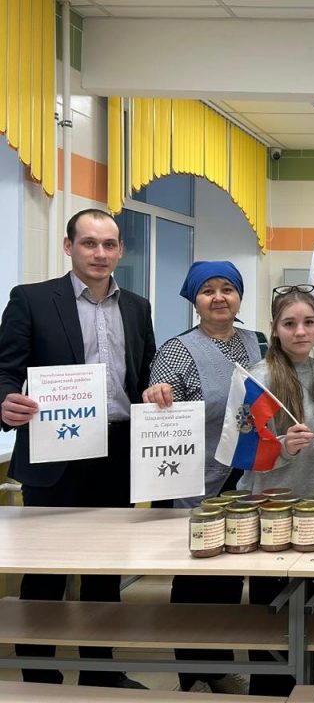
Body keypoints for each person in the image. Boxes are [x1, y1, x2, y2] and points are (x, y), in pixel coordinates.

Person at [0, 209, 154, 690]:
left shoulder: (137, 307)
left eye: (109, 244)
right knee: (44, 574)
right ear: (69, 246)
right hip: (54, 453)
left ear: (120, 250)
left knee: (105, 573)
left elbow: (143, 374)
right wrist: (5, 402)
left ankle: (101, 672)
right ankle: (38, 675)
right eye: (89, 243)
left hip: (117, 452)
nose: (99, 253)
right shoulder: (30, 300)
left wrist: (157, 392)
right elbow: (5, 371)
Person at [142, 260, 260, 695]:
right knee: (197, 578)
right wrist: (155, 396)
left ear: (239, 296)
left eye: (227, 288)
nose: (219, 298)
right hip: (199, 479)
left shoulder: (258, 343)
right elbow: (158, 409)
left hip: (249, 475)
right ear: (195, 300)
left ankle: (221, 662)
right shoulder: (177, 350)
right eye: (208, 290)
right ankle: (195, 670)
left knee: (234, 574)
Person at [236, 285, 314, 697]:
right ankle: (269, 692)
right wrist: (284, 448)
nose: (300, 332)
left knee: (309, 617)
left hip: (313, 509)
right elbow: (246, 453)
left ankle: (303, 689)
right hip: (272, 510)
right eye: (290, 324)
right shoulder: (262, 377)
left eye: (308, 322)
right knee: (272, 618)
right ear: (274, 329)